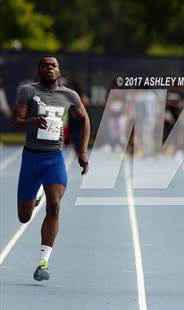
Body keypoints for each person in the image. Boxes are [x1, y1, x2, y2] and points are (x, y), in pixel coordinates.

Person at [12, 56, 90, 281]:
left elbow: (84, 120)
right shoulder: (28, 91)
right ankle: (36, 195)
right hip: (31, 158)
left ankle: (43, 263)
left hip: (54, 158)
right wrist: (32, 122)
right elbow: (16, 122)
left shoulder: (69, 95)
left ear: (59, 70)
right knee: (24, 218)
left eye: (53, 65)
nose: (49, 68)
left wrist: (82, 151)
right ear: (39, 70)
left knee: (54, 205)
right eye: (45, 65)